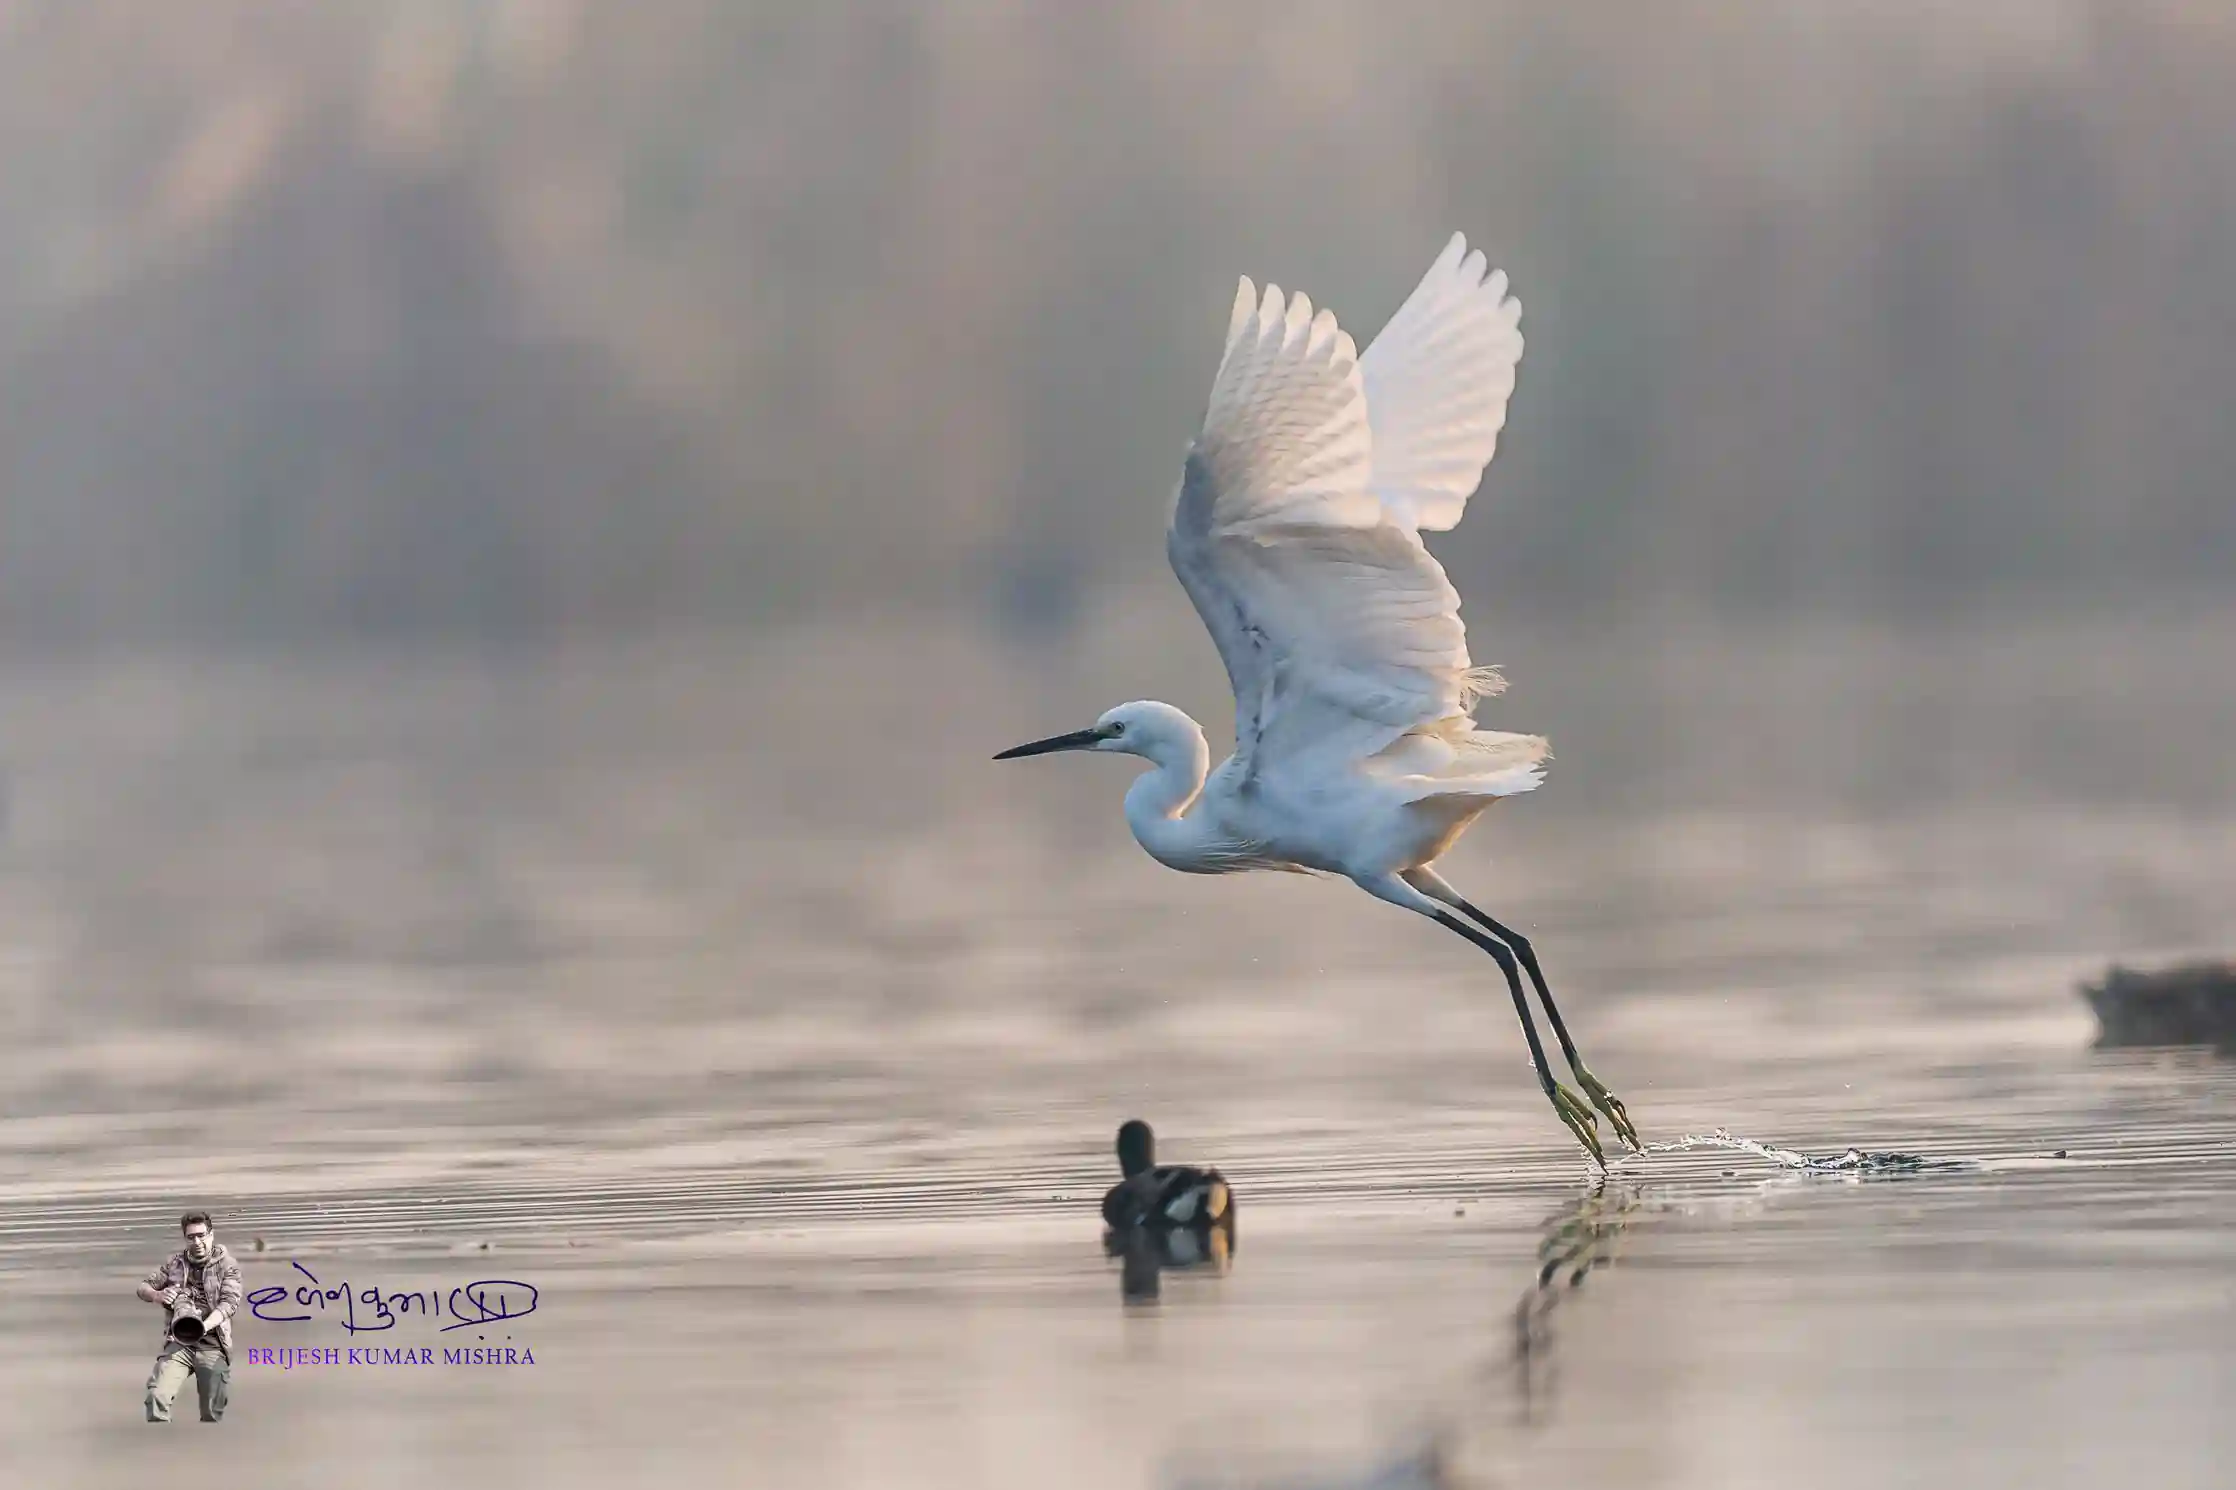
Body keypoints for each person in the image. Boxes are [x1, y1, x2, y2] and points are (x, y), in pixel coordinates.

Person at [135, 1209, 243, 1423]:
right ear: (185, 1238)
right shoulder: (175, 1264)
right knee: (157, 1396)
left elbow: (229, 1304)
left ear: (211, 1235)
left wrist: (203, 1326)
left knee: (213, 1410)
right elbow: (142, 1287)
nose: (197, 1242)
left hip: (213, 1343)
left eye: (201, 1235)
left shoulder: (227, 1265)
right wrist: (158, 1295)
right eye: (191, 1237)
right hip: (179, 1341)